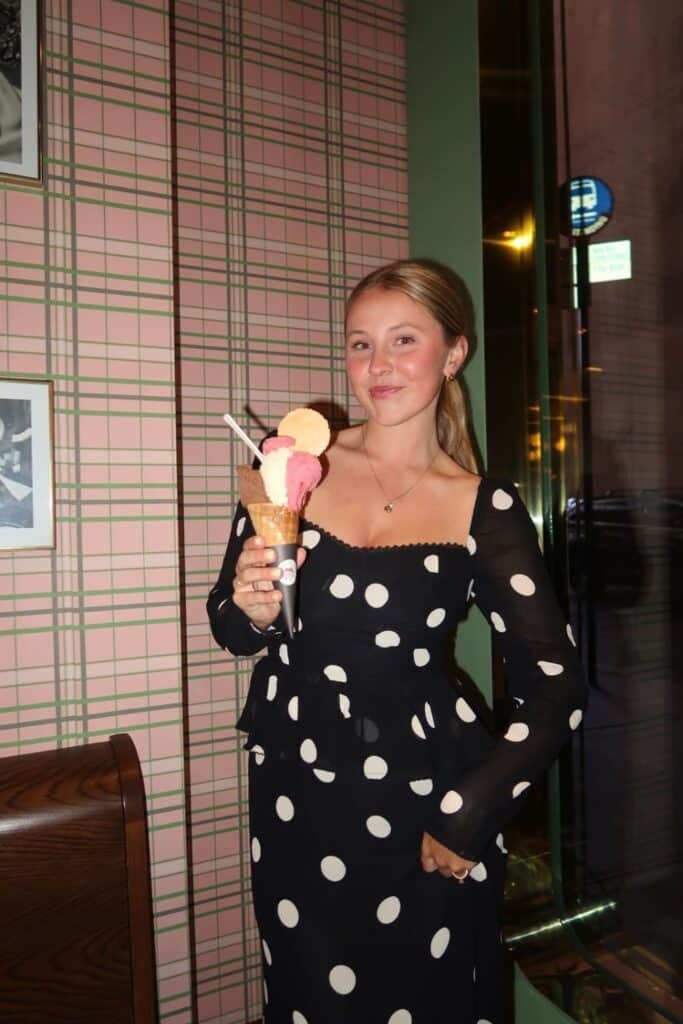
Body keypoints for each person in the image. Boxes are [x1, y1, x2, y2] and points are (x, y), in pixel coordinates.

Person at [207, 258, 589, 1023]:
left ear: (453, 354)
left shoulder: (482, 506)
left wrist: (470, 811)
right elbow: (228, 622)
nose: (376, 366)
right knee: (311, 995)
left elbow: (554, 684)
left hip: (424, 799)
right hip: (295, 790)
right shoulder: (289, 465)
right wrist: (249, 609)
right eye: (358, 344)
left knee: (428, 995)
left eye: (402, 340)